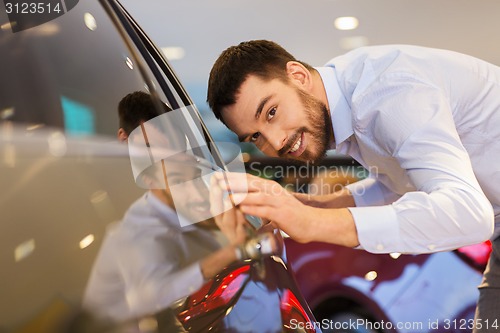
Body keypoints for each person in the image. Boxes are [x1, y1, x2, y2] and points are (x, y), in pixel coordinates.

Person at [207, 41, 500, 332]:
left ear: (298, 75)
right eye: (255, 136)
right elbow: (401, 181)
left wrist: (312, 222)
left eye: (271, 112)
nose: (275, 141)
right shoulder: (349, 97)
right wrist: (313, 206)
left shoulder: (388, 92)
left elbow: (470, 213)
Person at [82, 91, 248, 323]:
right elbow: (152, 298)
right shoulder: (132, 225)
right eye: (150, 148)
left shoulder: (192, 205)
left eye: (174, 151)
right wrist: (232, 253)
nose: (165, 162)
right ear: (123, 140)